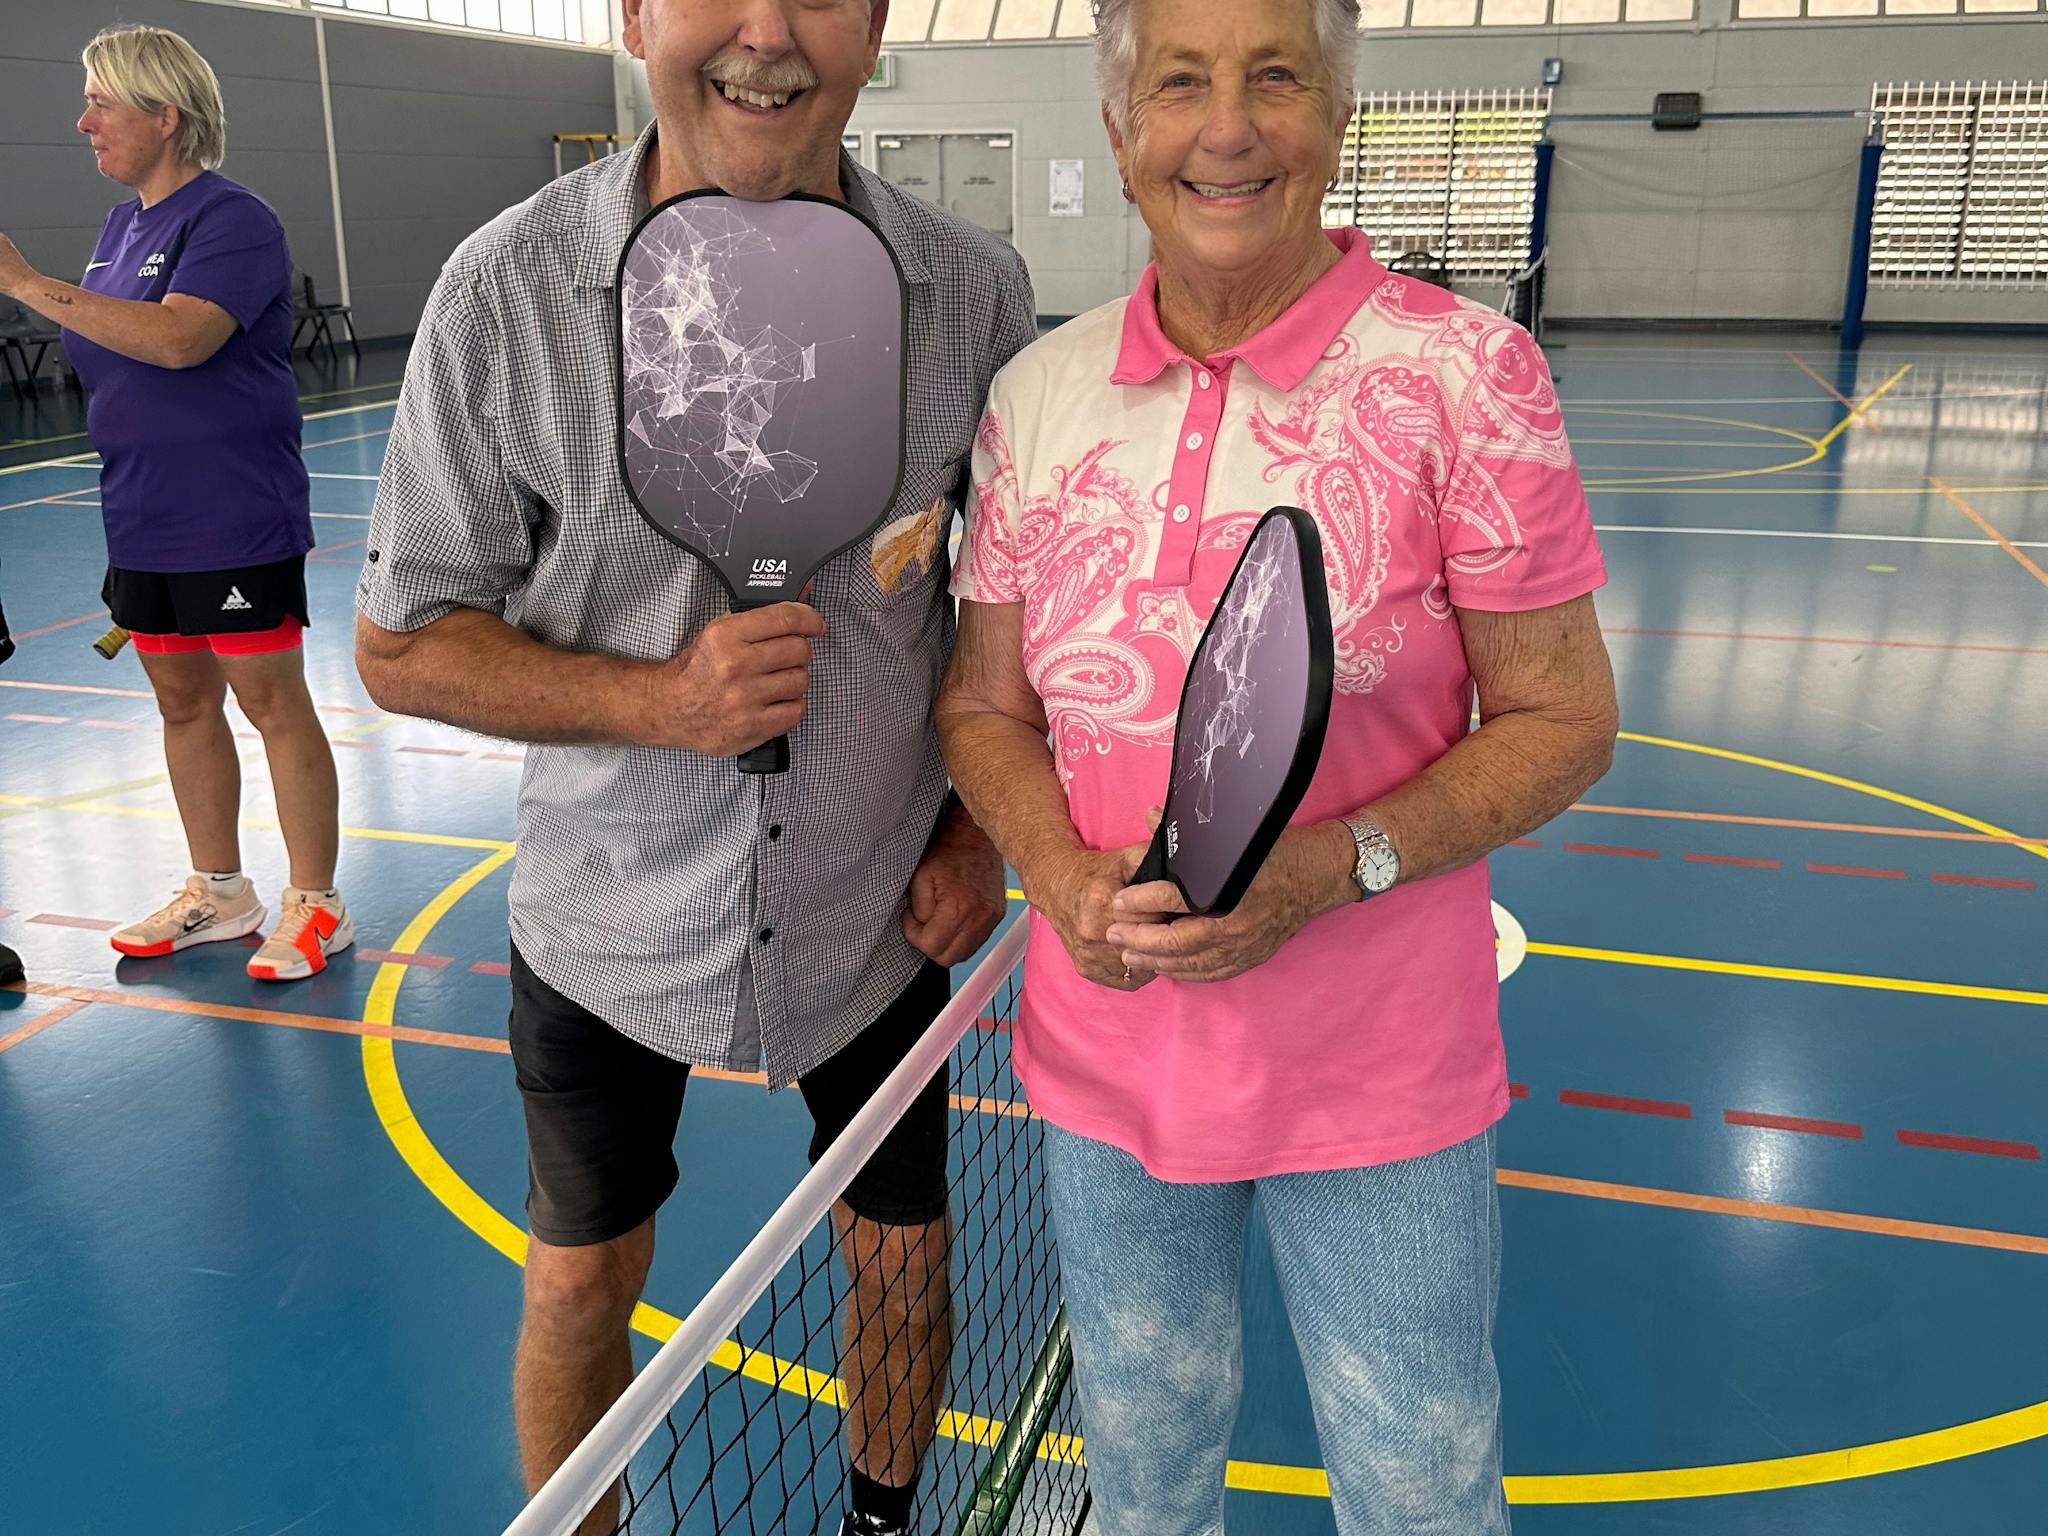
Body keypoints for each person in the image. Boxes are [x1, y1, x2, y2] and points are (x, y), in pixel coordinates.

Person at [934, 0, 1620, 1531]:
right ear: (1121, 133)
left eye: (1275, 79)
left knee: (1419, 1487)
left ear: (1334, 114)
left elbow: (1565, 718)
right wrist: (1059, 875)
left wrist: (1332, 865)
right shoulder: (1038, 397)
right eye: (1180, 83)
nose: (1228, 128)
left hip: (1378, 1084)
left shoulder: (1469, 376)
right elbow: (982, 708)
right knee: (1141, 1471)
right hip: (1107, 1069)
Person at [352, 1, 1035, 1531]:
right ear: (636, 17)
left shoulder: (974, 295)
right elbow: (402, 644)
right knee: (580, 1278)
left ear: (875, 26)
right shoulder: (507, 294)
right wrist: (662, 702)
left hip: (873, 908)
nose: (767, 32)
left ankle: (878, 1522)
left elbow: (1017, 603)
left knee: (903, 1256)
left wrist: (976, 828)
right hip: (611, 921)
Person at [0, 25, 351, 982]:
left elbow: (179, 340)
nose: (84, 123)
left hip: (232, 511)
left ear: (165, 115)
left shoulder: (234, 219)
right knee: (181, 700)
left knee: (270, 700)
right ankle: (219, 890)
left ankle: (317, 903)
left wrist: (26, 283)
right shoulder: (122, 228)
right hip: (140, 512)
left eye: (100, 103)